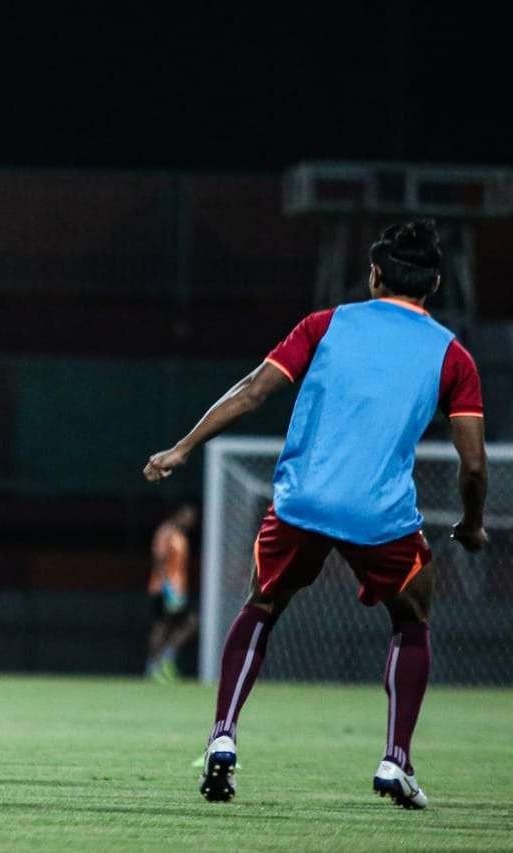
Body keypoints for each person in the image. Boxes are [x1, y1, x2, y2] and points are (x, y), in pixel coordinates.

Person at [143, 220, 487, 808]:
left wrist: (182, 447)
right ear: (433, 283)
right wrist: (473, 523)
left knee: (262, 606)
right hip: (381, 515)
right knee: (412, 618)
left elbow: (253, 390)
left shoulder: (325, 325)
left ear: (374, 275)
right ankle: (395, 760)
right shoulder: (453, 356)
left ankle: (223, 734)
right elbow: (475, 464)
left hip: (303, 501)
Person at [146, 504, 198, 682]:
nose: (189, 521)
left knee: (184, 624)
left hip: (177, 589)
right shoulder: (166, 531)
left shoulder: (180, 535)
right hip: (162, 588)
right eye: (187, 516)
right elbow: (159, 559)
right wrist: (166, 587)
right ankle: (153, 667)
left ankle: (165, 660)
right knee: (162, 626)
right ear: (179, 514)